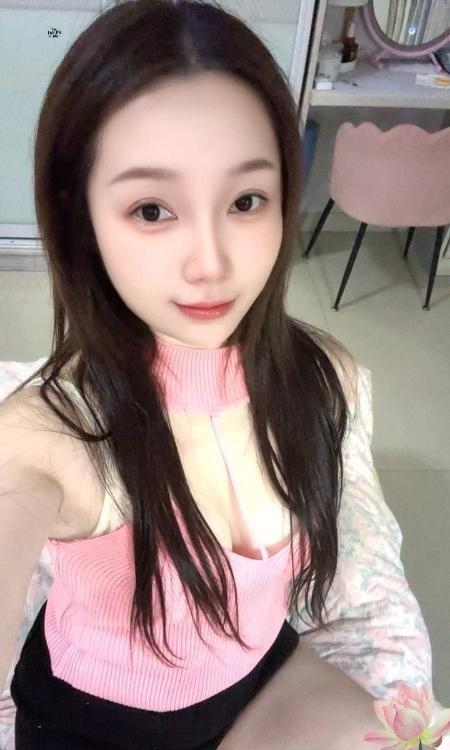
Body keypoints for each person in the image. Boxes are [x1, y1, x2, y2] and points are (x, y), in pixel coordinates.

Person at [0, 1, 433, 748]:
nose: (211, 262)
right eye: (151, 210)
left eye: (245, 201)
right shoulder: (50, 436)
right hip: (101, 728)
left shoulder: (326, 378)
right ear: (81, 217)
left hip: (261, 676)